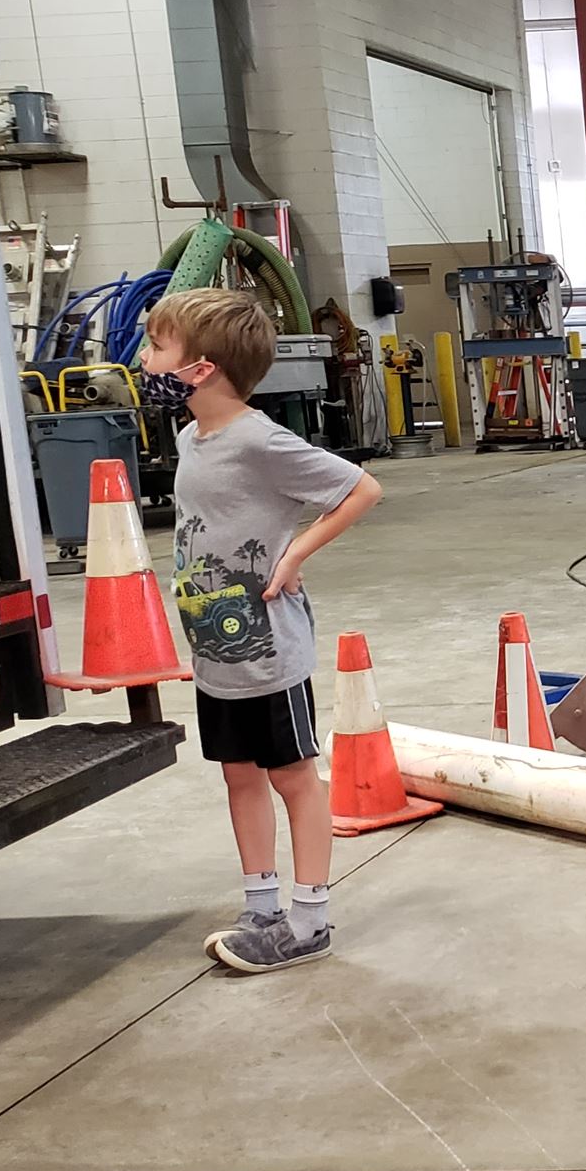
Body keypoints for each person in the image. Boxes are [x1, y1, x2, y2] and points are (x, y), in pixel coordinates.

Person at [141, 288, 382, 973]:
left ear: (204, 367)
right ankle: (262, 907)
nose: (147, 361)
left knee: (293, 778)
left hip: (267, 654)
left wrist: (295, 551)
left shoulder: (259, 440)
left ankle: (308, 922)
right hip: (214, 655)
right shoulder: (192, 438)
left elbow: (360, 489)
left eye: (160, 349)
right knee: (238, 776)